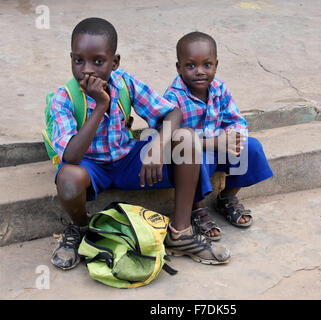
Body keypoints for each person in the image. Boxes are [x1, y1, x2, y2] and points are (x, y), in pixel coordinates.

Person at [50, 19, 230, 270]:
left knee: (185, 138)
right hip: (90, 166)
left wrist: (157, 145)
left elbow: (172, 113)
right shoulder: (63, 98)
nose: (87, 69)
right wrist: (101, 105)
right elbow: (71, 156)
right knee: (68, 179)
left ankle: (180, 234)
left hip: (128, 160)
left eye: (98, 61)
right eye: (78, 60)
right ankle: (80, 227)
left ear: (115, 62)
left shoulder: (124, 82)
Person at [163, 31, 274, 241]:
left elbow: (235, 119)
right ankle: (196, 209)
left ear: (216, 64)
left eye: (207, 65)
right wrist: (214, 144)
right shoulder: (173, 96)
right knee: (193, 162)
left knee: (251, 146)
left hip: (221, 148)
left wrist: (234, 138)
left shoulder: (219, 88)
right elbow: (172, 139)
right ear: (178, 67)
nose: (199, 72)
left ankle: (227, 198)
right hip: (195, 154)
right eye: (190, 65)